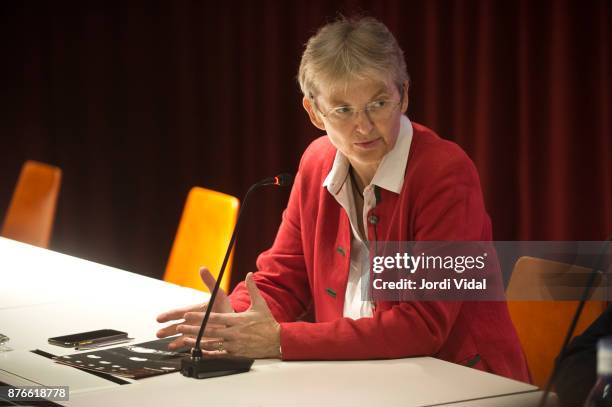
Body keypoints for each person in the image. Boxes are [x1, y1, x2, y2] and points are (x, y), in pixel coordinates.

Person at [156, 16, 530, 382]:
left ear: (404, 96)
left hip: (459, 380)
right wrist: (235, 320)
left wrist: (281, 341)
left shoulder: (445, 173)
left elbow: (424, 324)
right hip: (355, 373)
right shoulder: (317, 162)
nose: (364, 126)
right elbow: (283, 279)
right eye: (343, 110)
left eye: (378, 103)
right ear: (315, 112)